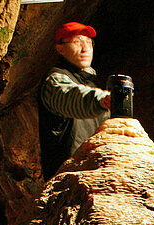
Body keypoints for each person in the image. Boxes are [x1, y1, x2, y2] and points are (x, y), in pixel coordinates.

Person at [38, 22, 111, 180]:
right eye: (77, 42)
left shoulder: (94, 84)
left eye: (88, 42)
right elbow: (73, 98)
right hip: (66, 181)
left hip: (96, 176)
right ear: (60, 48)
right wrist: (102, 100)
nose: (85, 48)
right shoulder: (54, 81)